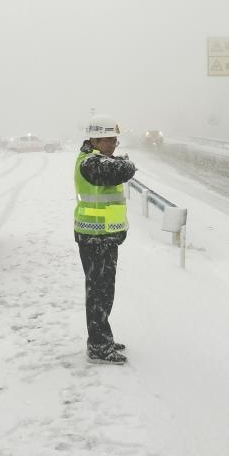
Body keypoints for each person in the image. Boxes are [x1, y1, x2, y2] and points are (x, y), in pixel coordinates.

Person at [74, 114, 137, 365]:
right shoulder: (90, 163)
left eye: (115, 141)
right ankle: (98, 346)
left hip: (104, 237)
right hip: (93, 237)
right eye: (110, 140)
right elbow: (122, 170)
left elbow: (118, 168)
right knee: (98, 293)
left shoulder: (99, 159)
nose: (114, 145)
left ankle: (103, 338)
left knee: (105, 291)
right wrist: (127, 163)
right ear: (95, 140)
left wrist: (122, 162)